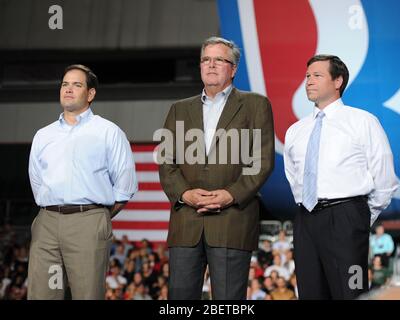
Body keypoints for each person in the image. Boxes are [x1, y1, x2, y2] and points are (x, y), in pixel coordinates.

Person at [158, 36, 275, 299]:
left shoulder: (256, 104)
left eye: (219, 60)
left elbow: (262, 160)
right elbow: (166, 161)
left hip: (232, 220)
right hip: (187, 221)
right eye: (205, 59)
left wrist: (230, 194)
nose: (211, 65)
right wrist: (185, 194)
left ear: (233, 69)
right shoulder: (179, 109)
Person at [284, 54, 398, 299]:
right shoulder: (296, 130)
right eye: (307, 76)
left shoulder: (363, 122)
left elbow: (385, 179)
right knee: (310, 293)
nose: (309, 81)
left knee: (352, 292)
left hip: (347, 218)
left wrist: (358, 218)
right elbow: (294, 177)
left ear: (338, 81)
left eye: (317, 75)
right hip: (306, 220)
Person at [27, 64, 137, 299]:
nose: (68, 89)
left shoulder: (108, 132)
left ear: (90, 94)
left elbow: (125, 187)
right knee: (42, 295)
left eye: (76, 84)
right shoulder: (43, 135)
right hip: (46, 222)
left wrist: (98, 217)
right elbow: (37, 182)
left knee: (87, 295)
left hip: (88, 222)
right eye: (65, 84)